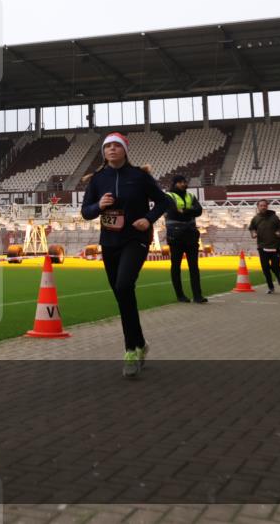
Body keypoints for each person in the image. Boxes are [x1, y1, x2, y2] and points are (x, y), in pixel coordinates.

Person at [81, 132, 170, 378]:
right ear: (103, 152)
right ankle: (140, 342)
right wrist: (98, 206)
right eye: (107, 146)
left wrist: (148, 219)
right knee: (122, 294)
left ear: (124, 150)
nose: (111, 150)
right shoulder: (98, 179)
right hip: (109, 242)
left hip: (135, 239)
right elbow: (86, 212)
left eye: (116, 146)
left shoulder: (140, 176)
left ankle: (130, 350)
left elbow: (164, 202)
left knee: (123, 285)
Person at [164, 174, 207, 303]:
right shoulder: (169, 196)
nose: (184, 184)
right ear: (175, 183)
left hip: (191, 235)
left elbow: (199, 211)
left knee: (194, 267)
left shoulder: (190, 196)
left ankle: (197, 296)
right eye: (181, 182)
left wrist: (184, 211)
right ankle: (180, 295)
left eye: (184, 181)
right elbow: (173, 212)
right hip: (176, 236)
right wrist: (190, 211)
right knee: (176, 266)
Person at [248, 200, 280, 294]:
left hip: (275, 246)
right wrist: (253, 233)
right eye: (261, 205)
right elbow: (252, 228)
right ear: (258, 207)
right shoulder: (255, 218)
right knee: (265, 268)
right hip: (262, 246)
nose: (263, 207)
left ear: (267, 206)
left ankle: (278, 275)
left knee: (275, 266)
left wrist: (279, 232)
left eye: (265, 205)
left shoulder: (274, 217)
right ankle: (270, 287)